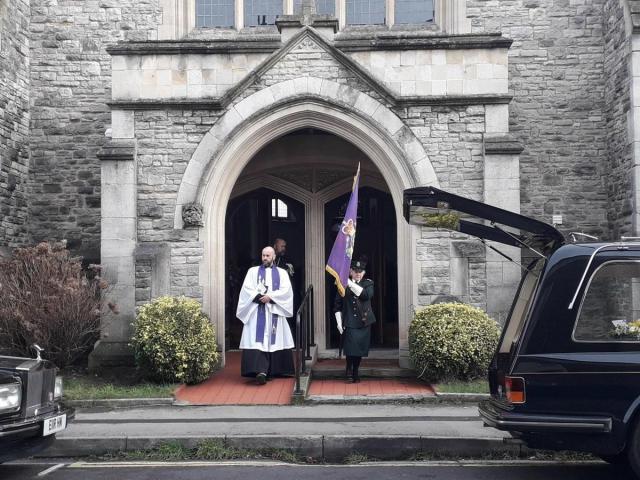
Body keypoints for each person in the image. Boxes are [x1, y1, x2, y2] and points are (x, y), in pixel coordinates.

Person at [236, 246, 295, 385]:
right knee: (258, 340)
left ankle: (275, 370)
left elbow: (286, 291)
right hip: (257, 311)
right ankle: (260, 371)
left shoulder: (282, 273)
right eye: (263, 255)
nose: (265, 258)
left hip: (274, 311)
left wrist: (271, 297)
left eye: (268, 255)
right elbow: (246, 289)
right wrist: (259, 296)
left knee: (274, 339)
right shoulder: (252, 272)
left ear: (274, 257)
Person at [333, 258, 376, 383]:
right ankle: (349, 369)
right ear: (350, 271)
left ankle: (355, 370)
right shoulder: (342, 285)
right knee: (351, 348)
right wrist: (339, 322)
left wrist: (348, 283)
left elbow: (366, 295)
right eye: (356, 271)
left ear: (364, 272)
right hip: (350, 320)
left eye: (360, 271)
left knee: (360, 350)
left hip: (364, 321)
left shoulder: (368, 283)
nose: (358, 273)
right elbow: (337, 305)